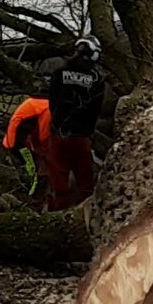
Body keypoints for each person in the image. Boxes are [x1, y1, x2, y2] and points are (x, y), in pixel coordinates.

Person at [45, 36, 105, 210]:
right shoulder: (95, 79)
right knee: (85, 183)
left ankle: (57, 218)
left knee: (59, 182)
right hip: (81, 137)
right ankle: (86, 216)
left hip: (59, 134)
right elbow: (96, 110)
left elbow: (52, 102)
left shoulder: (59, 73)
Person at [2, 90, 52, 209]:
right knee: (36, 170)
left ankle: (34, 195)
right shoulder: (48, 108)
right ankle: (34, 203)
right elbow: (44, 136)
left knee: (38, 166)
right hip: (17, 143)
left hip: (23, 138)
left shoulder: (42, 103)